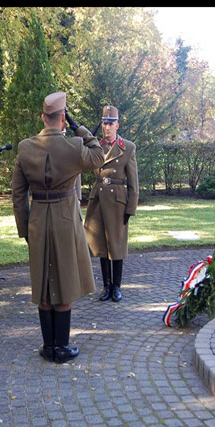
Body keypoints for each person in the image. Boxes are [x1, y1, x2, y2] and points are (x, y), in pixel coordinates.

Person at [12, 91, 105, 363]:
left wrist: (25, 228)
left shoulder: (25, 148)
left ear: (43, 117)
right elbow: (98, 155)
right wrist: (80, 128)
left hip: (38, 219)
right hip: (65, 219)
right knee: (64, 279)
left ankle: (48, 345)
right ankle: (61, 347)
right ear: (63, 118)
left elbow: (18, 196)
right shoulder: (75, 146)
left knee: (42, 281)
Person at [84, 105, 139, 303]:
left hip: (117, 202)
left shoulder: (128, 147)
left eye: (110, 124)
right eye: (104, 124)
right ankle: (106, 286)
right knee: (101, 245)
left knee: (116, 245)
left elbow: (133, 182)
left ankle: (117, 287)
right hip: (98, 199)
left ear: (117, 125)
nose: (106, 128)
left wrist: (131, 208)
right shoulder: (95, 147)